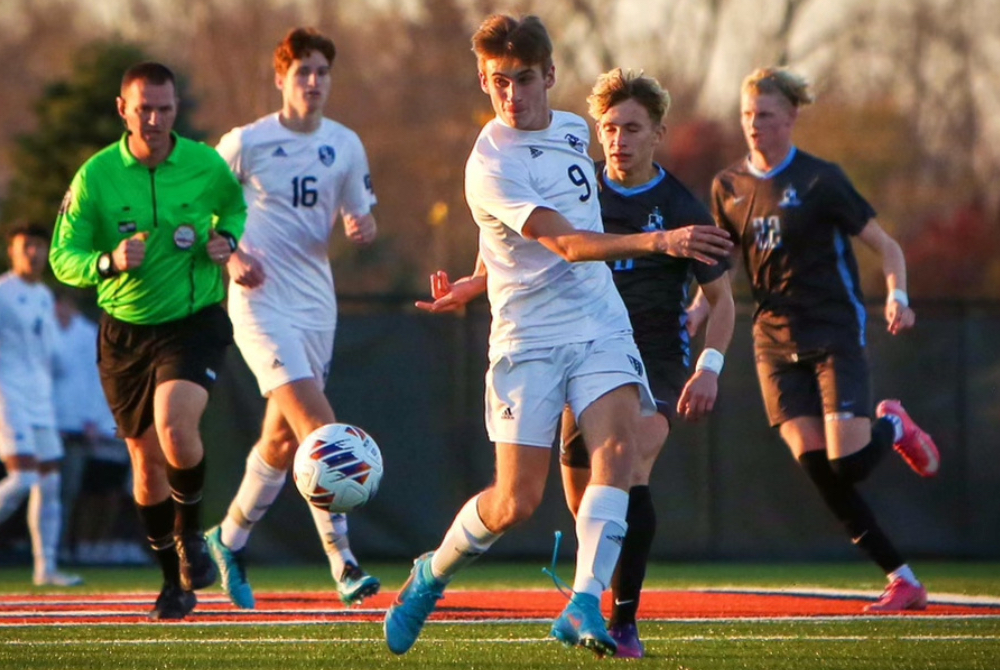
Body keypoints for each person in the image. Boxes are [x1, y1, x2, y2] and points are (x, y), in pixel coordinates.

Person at [385, 14, 732, 658]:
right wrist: (660, 240)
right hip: (528, 337)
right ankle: (430, 575)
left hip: (599, 320)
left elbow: (545, 230)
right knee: (516, 500)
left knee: (620, 449)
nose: (511, 95)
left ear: (549, 75)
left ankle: (583, 604)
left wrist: (474, 277)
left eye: (522, 80)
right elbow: (568, 243)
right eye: (496, 82)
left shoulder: (575, 129)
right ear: (483, 82)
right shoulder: (488, 162)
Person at [702, 66, 940, 612]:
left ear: (790, 117)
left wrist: (897, 297)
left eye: (765, 115)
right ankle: (902, 579)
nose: (754, 126)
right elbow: (722, 271)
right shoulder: (727, 187)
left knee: (848, 464)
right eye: (746, 116)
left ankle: (893, 424)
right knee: (818, 467)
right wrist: (693, 315)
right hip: (773, 341)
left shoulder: (820, 180)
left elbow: (889, 247)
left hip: (832, 330)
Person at [49, 61, 247, 620]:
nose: (155, 119)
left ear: (175, 109)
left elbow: (233, 204)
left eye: (164, 108)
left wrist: (227, 237)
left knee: (175, 425)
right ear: (123, 110)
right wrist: (107, 261)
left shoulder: (204, 164)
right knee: (144, 463)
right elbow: (64, 257)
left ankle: (190, 536)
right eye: (144, 109)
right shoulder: (96, 177)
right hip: (125, 333)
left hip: (193, 319)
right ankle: (172, 581)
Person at [203, 27, 380, 610]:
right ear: (280, 78)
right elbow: (198, 212)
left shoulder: (346, 144)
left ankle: (228, 539)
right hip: (259, 304)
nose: (313, 82)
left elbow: (362, 216)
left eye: (322, 72)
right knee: (321, 432)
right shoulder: (246, 142)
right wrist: (233, 255)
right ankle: (344, 564)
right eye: (302, 72)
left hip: (315, 305)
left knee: (281, 438)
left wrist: (362, 228)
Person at [0, 223, 82, 587]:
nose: (33, 253)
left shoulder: (45, 297)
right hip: (8, 396)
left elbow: (54, 357)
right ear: (12, 251)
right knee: (22, 478)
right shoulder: (3, 293)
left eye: (39, 246)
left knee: (49, 484)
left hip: (41, 399)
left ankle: (45, 568)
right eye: (26, 246)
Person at [52, 289, 148, 566]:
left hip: (90, 431)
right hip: (53, 426)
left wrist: (95, 423)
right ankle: (54, 549)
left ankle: (83, 547)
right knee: (50, 490)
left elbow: (95, 385)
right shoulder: (43, 330)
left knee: (91, 492)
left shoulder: (89, 335)